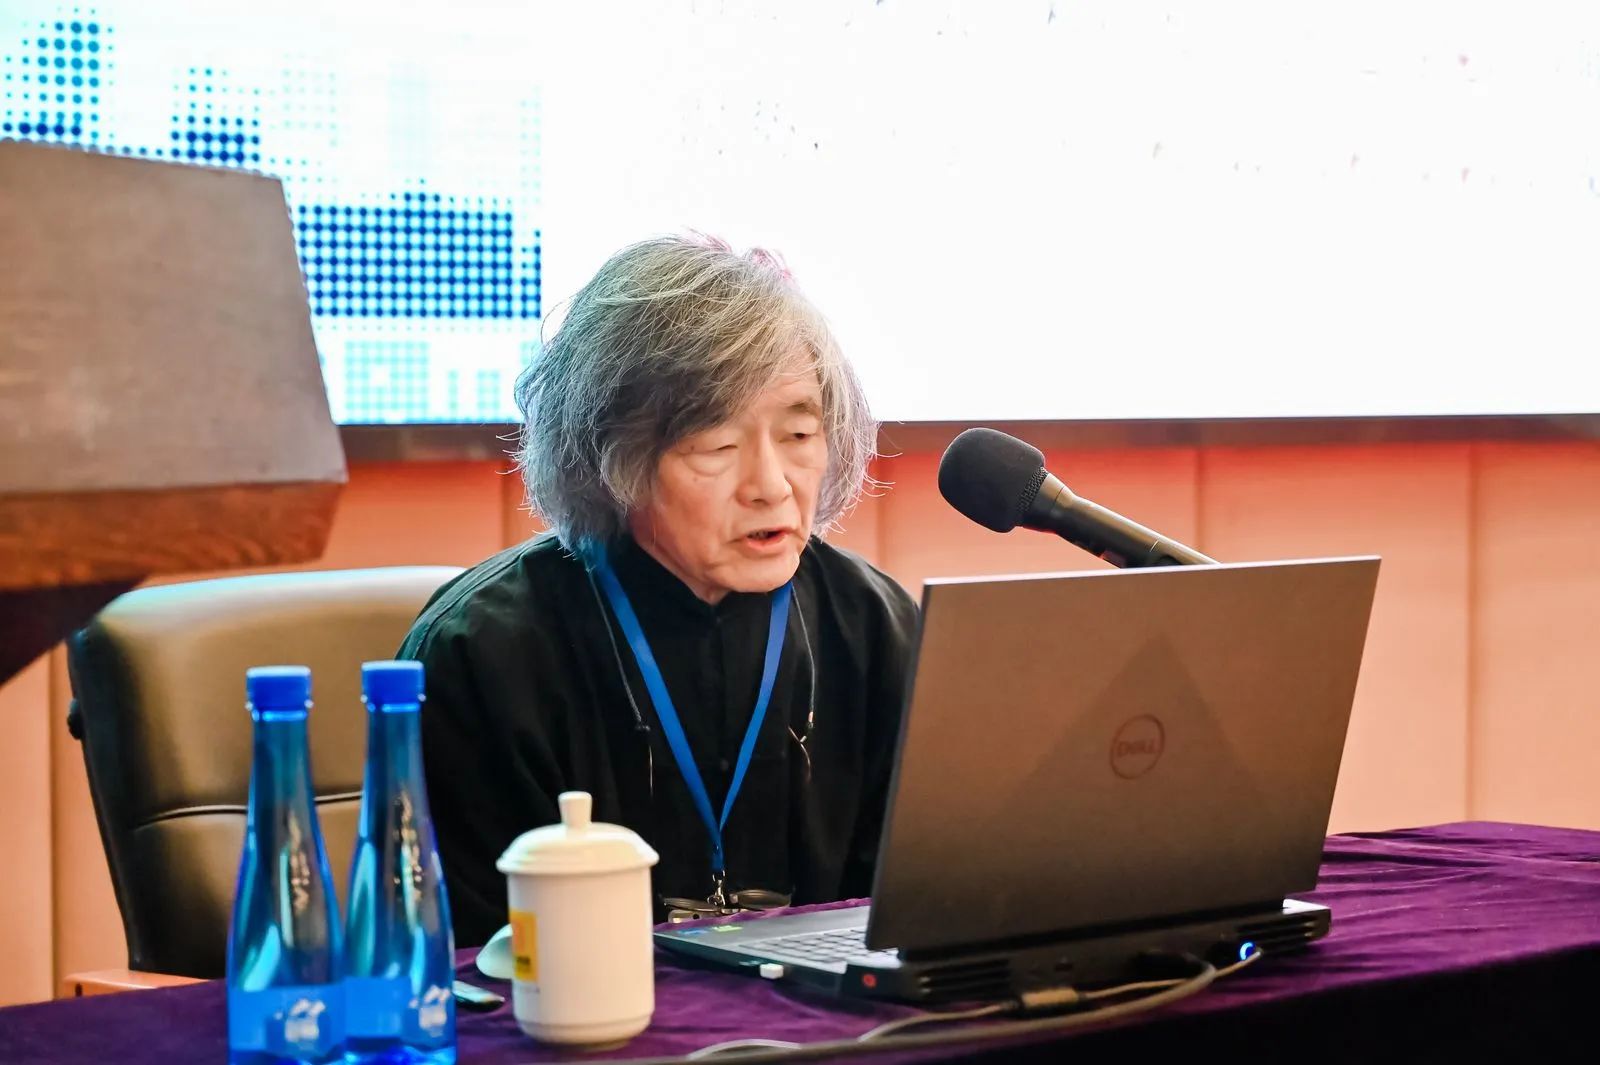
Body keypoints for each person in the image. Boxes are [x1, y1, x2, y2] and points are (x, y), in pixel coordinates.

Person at [399, 234, 919, 947]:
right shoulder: (484, 653)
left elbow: (913, 912)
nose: (771, 486)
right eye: (717, 447)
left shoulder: (875, 626)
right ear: (613, 456)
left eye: (799, 435)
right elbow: (472, 961)